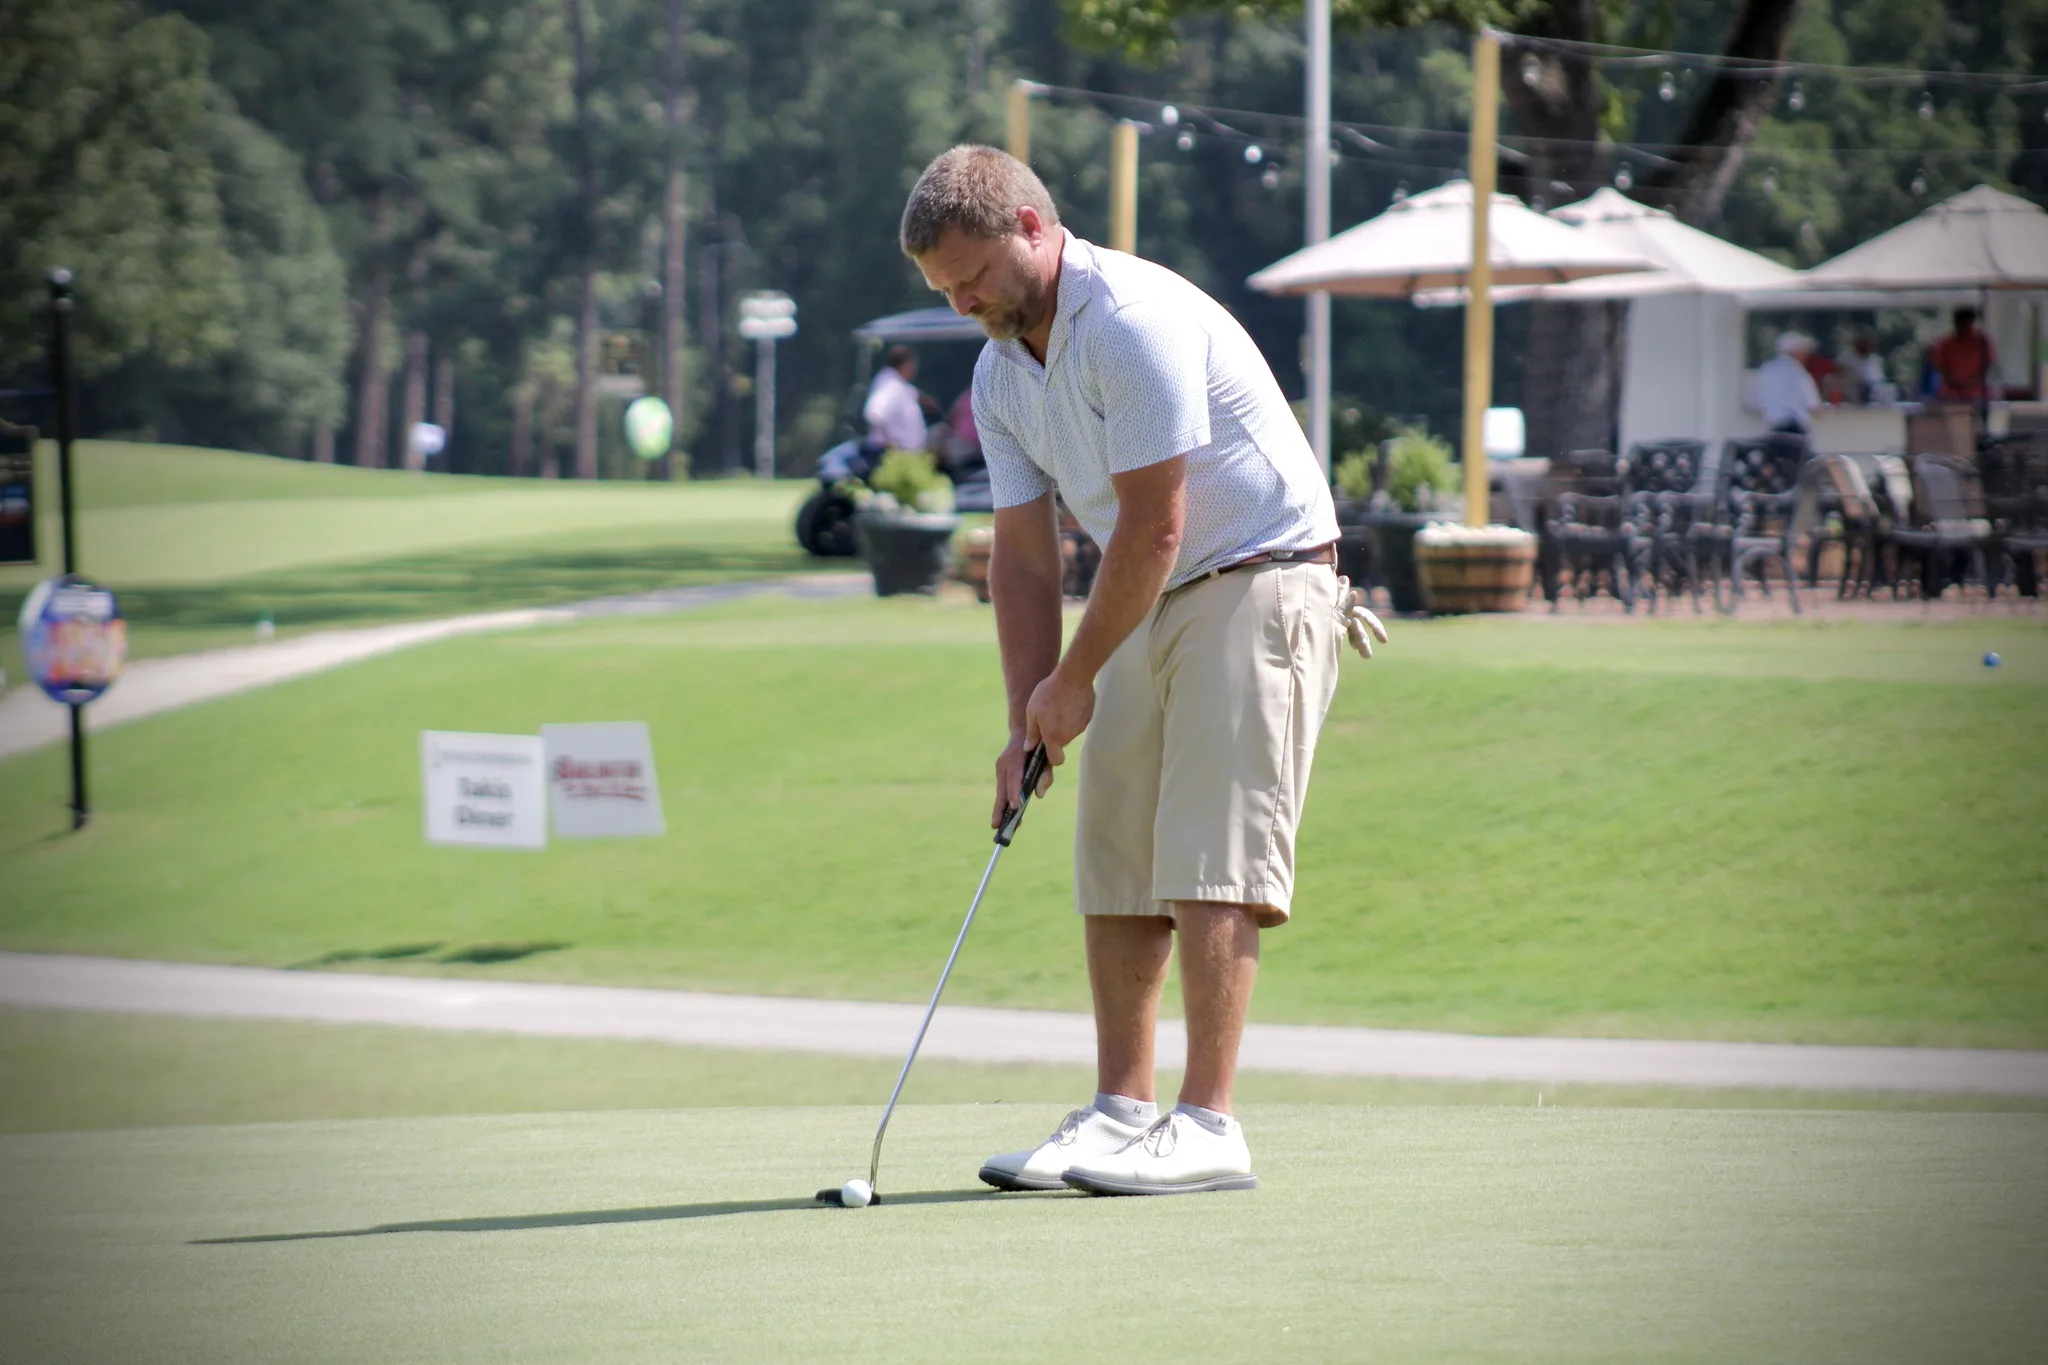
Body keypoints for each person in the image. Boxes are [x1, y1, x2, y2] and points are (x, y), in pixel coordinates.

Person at [898, 144, 1384, 1197]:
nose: (963, 300)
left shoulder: (1129, 319)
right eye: (945, 289)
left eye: (972, 275)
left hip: (1259, 574)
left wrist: (1072, 681)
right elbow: (1023, 562)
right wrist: (1029, 714)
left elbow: (1153, 525)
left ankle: (1208, 1123)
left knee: (1208, 853)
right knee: (1114, 848)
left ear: (1030, 226)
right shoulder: (997, 370)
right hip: (1152, 594)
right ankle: (1121, 1112)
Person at [863, 344, 927, 452]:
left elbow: (913, 393)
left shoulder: (898, 384)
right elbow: (874, 414)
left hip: (904, 456)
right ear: (906, 365)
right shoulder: (889, 385)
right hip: (889, 455)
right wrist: (890, 443)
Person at [1756, 331, 1823, 435]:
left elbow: (1757, 399)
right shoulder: (1797, 371)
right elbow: (1812, 402)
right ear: (1794, 351)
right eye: (1803, 351)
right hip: (1794, 426)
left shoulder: (1767, 369)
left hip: (1773, 426)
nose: (1805, 355)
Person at [1927, 307, 1996, 402]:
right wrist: (1952, 381)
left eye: (1966, 324)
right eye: (1960, 324)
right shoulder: (1946, 344)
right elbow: (1939, 364)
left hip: (1977, 394)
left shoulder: (1982, 343)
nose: (1963, 328)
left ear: (1972, 323)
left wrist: (1973, 381)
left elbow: (1988, 364)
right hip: (1951, 394)